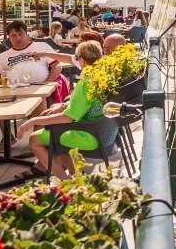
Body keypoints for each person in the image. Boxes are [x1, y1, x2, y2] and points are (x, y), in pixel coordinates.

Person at [15, 40, 107, 179]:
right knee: (55, 134)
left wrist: (33, 121)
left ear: (81, 59)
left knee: (35, 139)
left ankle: (65, 182)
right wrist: (62, 106)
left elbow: (68, 117)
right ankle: (76, 175)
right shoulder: (101, 73)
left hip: (90, 135)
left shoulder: (86, 81)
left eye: (76, 58)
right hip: (102, 131)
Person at [0, 21, 60, 85]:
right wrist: (10, 82)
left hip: (41, 87)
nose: (18, 38)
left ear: (27, 34)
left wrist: (48, 83)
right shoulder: (3, 56)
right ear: (9, 38)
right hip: (14, 91)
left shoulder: (42, 46)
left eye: (20, 34)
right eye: (13, 36)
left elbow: (57, 66)